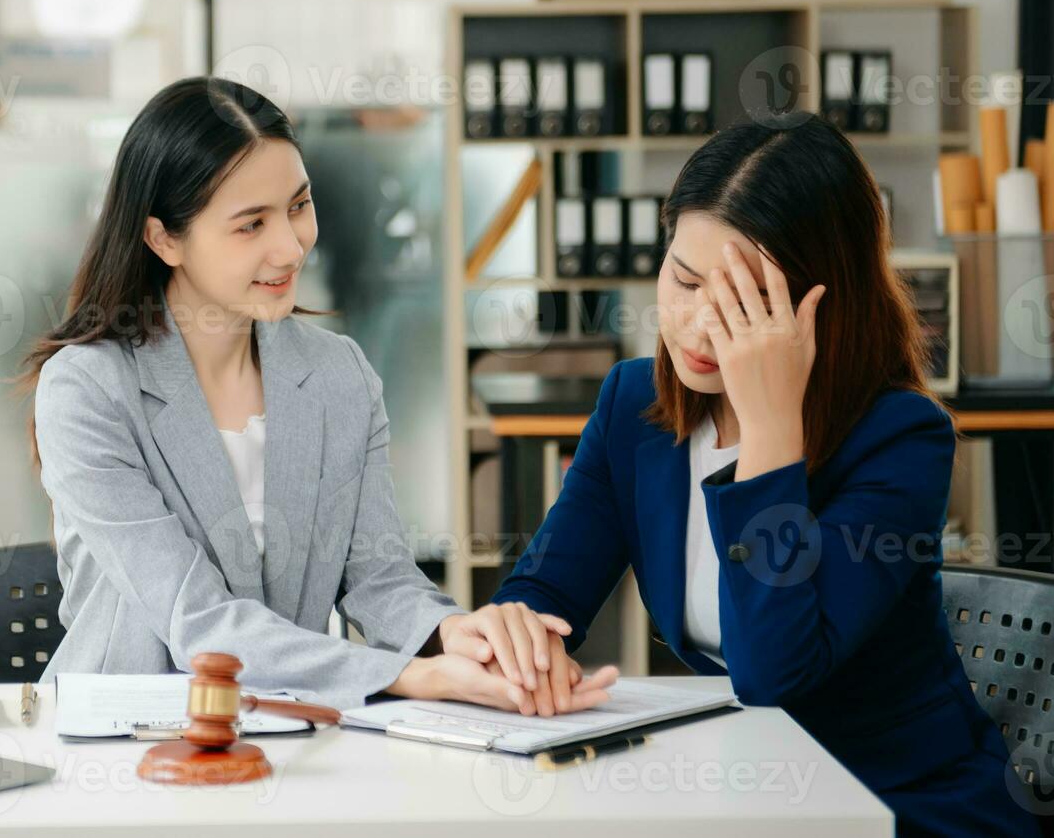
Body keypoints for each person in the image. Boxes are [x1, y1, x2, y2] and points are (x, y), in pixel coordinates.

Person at [443, 113, 1039, 837]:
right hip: (745, 787)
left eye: (740, 304)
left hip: (900, 805)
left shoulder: (900, 438)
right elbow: (544, 595)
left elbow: (771, 673)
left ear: (818, 307)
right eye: (684, 280)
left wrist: (768, 431)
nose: (696, 325)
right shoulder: (632, 404)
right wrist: (516, 631)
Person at [16, 76, 619, 712]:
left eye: (298, 206)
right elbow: (197, 623)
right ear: (164, 238)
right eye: (251, 225)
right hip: (126, 744)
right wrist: (408, 677)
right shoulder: (87, 389)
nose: (292, 245)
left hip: (293, 724)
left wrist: (455, 636)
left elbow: (379, 576)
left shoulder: (339, 373)